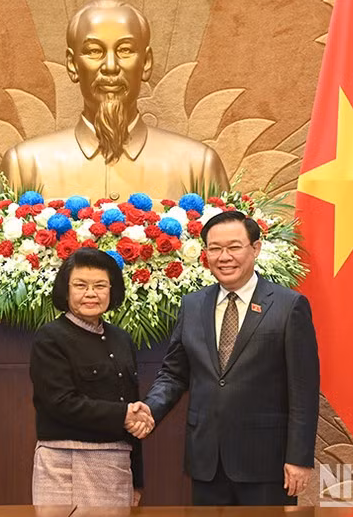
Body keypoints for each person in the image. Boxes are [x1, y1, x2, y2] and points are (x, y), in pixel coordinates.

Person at [136, 211, 320, 506]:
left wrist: (299, 457)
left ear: (255, 248)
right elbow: (173, 373)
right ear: (205, 253)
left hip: (265, 462)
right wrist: (150, 408)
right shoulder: (193, 305)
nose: (224, 257)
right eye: (215, 248)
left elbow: (303, 390)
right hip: (206, 461)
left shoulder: (289, 306)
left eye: (234, 247)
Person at [0, 0, 229, 201]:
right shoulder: (26, 166)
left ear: (146, 62)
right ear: (72, 65)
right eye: (94, 51)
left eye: (125, 50)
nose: (110, 67)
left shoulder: (198, 166)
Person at [30, 247, 153, 506]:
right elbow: (60, 403)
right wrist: (123, 415)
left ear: (112, 290)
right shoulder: (50, 337)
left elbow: (130, 407)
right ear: (66, 289)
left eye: (100, 285)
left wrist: (137, 479)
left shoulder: (122, 338)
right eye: (80, 285)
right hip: (65, 465)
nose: (90, 293)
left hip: (118, 465)